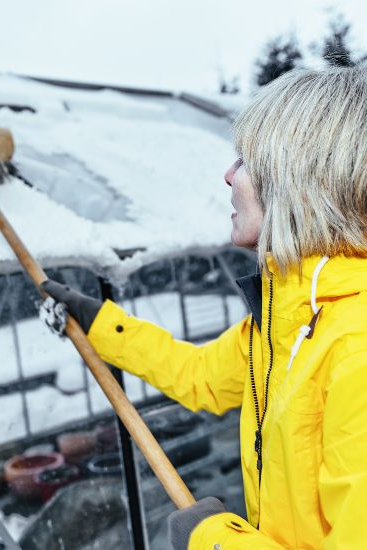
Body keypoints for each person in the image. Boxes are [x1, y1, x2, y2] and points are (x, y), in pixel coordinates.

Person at [41, 64, 367, 549]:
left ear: (299, 177)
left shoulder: (355, 347)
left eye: (245, 160)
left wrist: (214, 540)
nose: (228, 174)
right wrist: (99, 323)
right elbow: (200, 376)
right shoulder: (290, 317)